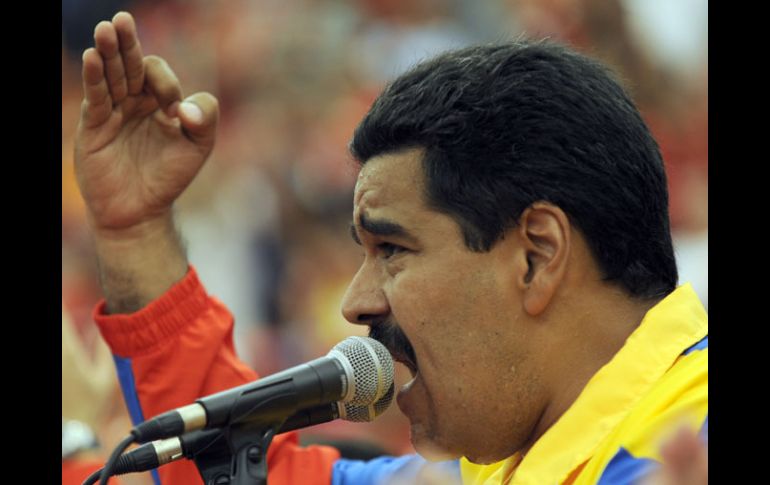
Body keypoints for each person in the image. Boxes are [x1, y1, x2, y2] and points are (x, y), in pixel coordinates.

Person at [73, 11, 707, 485]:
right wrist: (137, 230)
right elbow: (248, 475)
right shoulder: (499, 461)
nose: (354, 303)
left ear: (536, 255)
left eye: (392, 250)